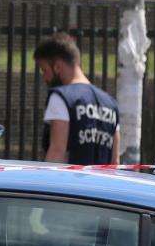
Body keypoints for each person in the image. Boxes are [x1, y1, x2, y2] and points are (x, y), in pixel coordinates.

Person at [33, 33, 120, 166]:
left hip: (68, 184)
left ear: (57, 67)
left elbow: (57, 151)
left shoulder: (62, 98)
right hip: (100, 185)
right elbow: (115, 162)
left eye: (44, 70)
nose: (45, 78)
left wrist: (41, 183)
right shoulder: (110, 104)